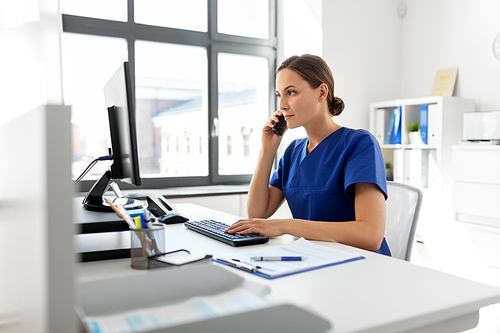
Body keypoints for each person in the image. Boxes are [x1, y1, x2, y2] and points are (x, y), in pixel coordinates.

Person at [226, 54, 391, 256]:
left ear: (321, 92)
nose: (282, 105)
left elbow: (370, 235)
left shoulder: (359, 144)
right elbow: (257, 213)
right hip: (315, 260)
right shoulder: (293, 151)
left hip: (362, 265)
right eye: (280, 95)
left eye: (292, 92)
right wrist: (267, 150)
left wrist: (286, 226)